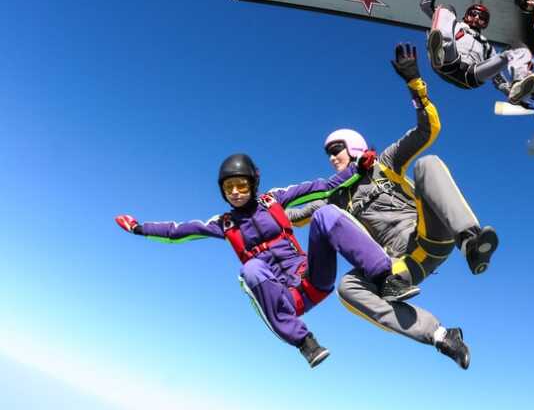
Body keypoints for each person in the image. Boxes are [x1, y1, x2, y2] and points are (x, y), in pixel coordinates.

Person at [287, 43, 498, 370]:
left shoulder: (384, 163)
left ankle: (470, 241)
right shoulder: (336, 199)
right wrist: (254, 214)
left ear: (355, 147)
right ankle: (441, 335)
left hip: (429, 235)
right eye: (328, 153)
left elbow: (427, 131)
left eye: (337, 149)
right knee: (347, 287)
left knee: (427, 163)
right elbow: (294, 216)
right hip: (398, 268)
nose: (331, 157)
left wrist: (415, 83)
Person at [114, 153, 395, 368]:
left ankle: (385, 278)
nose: (234, 192)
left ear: (253, 183)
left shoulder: (273, 201)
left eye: (240, 185)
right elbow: (178, 232)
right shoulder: (224, 224)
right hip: (286, 299)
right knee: (250, 269)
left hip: (312, 279)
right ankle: (305, 342)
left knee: (326, 213)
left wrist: (358, 169)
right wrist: (139, 228)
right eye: (228, 188)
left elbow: (321, 187)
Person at [420, 0, 534, 104]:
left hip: (472, 74)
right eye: (473, 14)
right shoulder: (455, 25)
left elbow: (497, 76)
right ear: (466, 16)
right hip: (449, 60)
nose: (476, 18)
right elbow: (426, 5)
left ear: (485, 24)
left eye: (481, 17)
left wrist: (509, 91)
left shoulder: (487, 46)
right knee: (445, 8)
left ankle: (517, 85)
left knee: (519, 49)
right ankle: (440, 50)